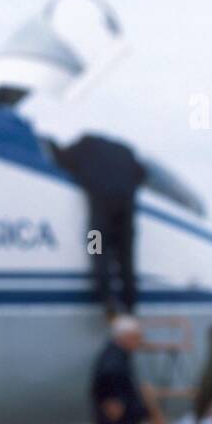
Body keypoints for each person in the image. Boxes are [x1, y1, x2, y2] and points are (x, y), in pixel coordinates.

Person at [52, 133, 146, 315]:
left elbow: (62, 159)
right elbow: (142, 173)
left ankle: (106, 298)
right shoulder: (125, 150)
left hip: (101, 210)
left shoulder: (84, 146)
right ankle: (130, 303)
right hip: (126, 210)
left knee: (97, 249)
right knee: (126, 255)